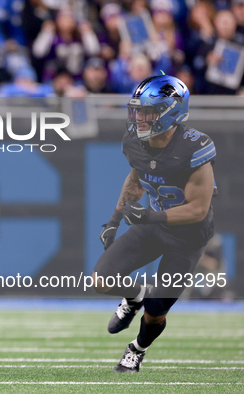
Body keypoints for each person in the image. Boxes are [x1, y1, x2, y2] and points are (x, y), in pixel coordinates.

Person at [93, 74, 216, 373]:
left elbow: (198, 210)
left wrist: (149, 216)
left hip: (187, 237)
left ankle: (137, 349)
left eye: (148, 111)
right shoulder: (134, 140)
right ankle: (135, 296)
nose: (139, 118)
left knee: (157, 310)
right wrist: (114, 219)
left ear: (171, 111)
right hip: (154, 226)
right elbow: (135, 178)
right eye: (137, 110)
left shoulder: (194, 148)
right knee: (101, 279)